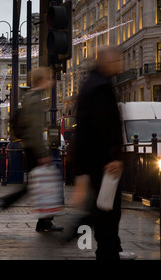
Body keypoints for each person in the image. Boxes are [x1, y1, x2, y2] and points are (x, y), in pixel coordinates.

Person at [69, 45, 129, 260]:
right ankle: (107, 251)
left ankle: (109, 248)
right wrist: (114, 157)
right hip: (104, 161)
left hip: (94, 160)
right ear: (107, 62)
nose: (120, 65)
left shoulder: (91, 84)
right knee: (108, 211)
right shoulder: (101, 87)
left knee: (103, 208)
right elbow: (104, 126)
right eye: (117, 61)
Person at [21, 67, 63, 232]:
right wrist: (42, 154)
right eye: (48, 78)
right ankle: (44, 222)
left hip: (32, 148)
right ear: (40, 81)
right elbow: (35, 129)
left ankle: (45, 221)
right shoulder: (35, 100)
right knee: (46, 184)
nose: (51, 81)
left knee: (40, 184)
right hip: (35, 149)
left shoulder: (30, 97)